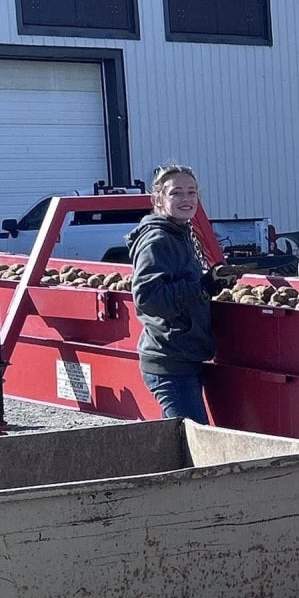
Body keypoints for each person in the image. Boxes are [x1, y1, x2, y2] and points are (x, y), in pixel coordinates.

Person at [126, 164, 237, 422]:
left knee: (190, 439)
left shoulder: (181, 232)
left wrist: (213, 284)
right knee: (191, 443)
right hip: (169, 362)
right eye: (176, 193)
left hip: (186, 356)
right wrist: (201, 286)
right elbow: (148, 299)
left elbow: (181, 286)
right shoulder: (158, 240)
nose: (186, 199)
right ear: (158, 199)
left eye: (192, 192)